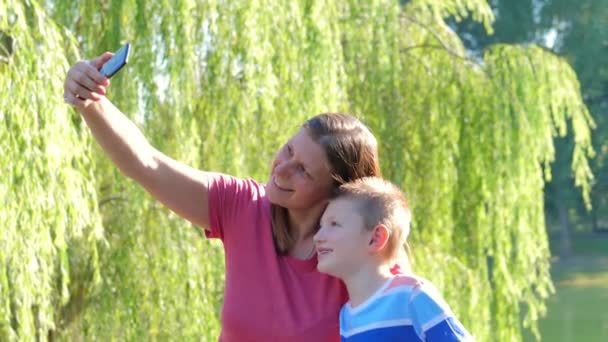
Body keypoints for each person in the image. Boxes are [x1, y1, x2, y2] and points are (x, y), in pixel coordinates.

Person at [63, 52, 385, 341]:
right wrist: (91, 101)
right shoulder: (243, 206)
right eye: (288, 150)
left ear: (338, 192)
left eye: (303, 170)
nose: (281, 169)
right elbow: (146, 163)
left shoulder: (361, 255)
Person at [314, 177, 472, 341]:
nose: (317, 237)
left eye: (334, 224)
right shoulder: (347, 316)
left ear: (375, 238)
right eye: (321, 226)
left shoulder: (411, 295)